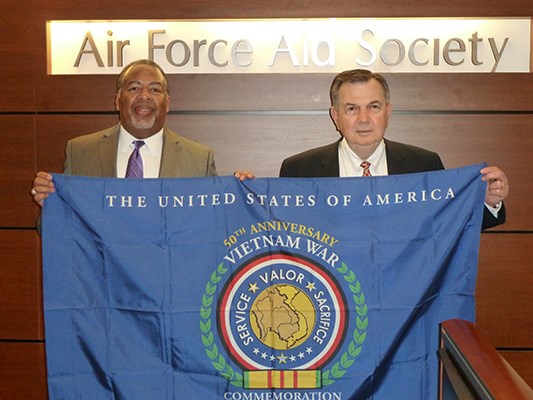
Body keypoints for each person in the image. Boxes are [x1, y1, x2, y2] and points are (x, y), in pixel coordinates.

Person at [279, 69, 508, 230]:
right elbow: (278, 237)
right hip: (332, 295)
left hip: (404, 296)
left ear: (388, 112)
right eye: (351, 109)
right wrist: (243, 196)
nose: (364, 119)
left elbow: (452, 224)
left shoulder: (424, 165)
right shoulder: (299, 170)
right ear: (335, 116)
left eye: (373, 107)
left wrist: (488, 201)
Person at [31, 59, 253, 207]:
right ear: (118, 101)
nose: (144, 96)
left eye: (155, 89)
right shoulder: (80, 151)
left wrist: (242, 196)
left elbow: (213, 226)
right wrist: (49, 203)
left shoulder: (198, 159)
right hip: (101, 276)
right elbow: (59, 229)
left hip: (171, 276)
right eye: (134, 88)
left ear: (168, 103)